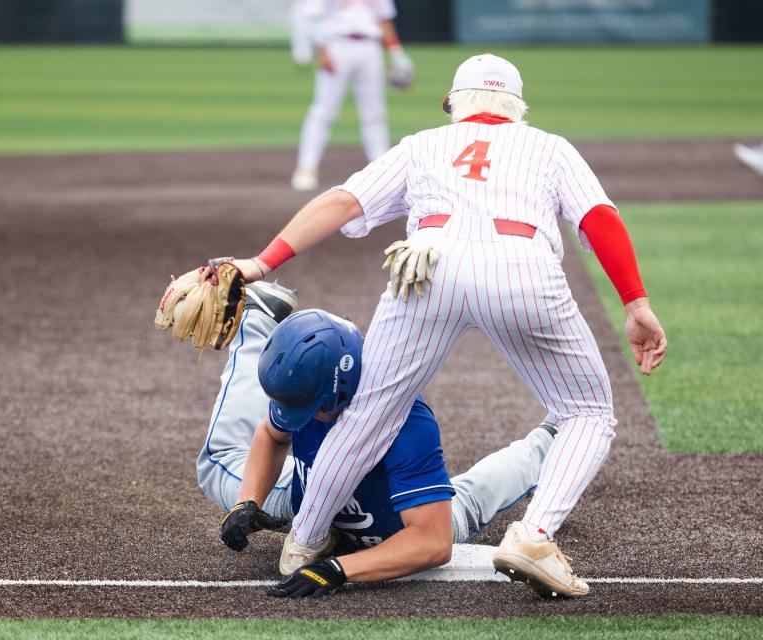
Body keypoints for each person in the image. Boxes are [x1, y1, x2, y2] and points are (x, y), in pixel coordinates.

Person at [200, 53, 667, 598]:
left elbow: (343, 201)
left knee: (370, 411)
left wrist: (263, 262)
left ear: (454, 104)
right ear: (517, 110)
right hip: (523, 268)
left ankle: (301, 543)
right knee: (587, 412)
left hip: (425, 263)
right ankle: (535, 536)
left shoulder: (424, 143)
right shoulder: (550, 146)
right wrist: (636, 304)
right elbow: (599, 219)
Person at [198, 282, 558, 597]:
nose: (300, 418)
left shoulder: (408, 422)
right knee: (219, 463)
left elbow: (432, 543)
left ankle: (558, 436)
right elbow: (271, 435)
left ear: (340, 391)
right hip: (300, 500)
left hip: (395, 530)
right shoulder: (313, 383)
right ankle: (260, 315)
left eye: (310, 409)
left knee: (473, 497)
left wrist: (340, 569)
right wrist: (247, 502)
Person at [289, 0, 414, 192]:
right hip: (337, 44)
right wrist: (322, 50)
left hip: (370, 47)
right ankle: (306, 168)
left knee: (374, 112)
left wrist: (396, 53)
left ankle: (382, 171)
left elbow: (384, 20)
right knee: (323, 111)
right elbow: (313, 18)